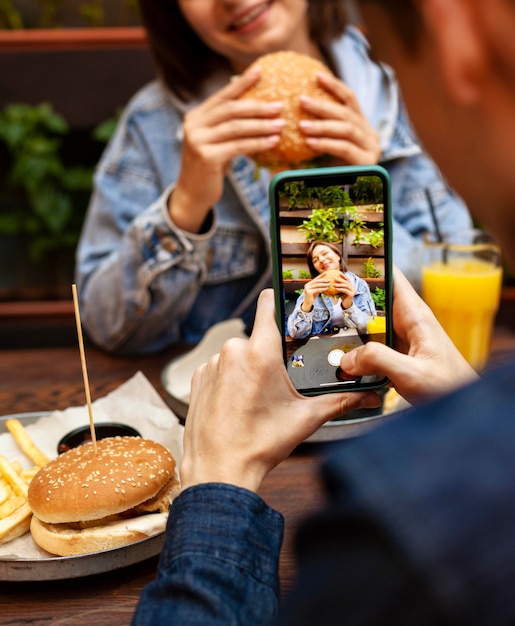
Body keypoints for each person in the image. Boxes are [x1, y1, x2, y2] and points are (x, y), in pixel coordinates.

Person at [132, 0, 515, 623]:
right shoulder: (153, 122)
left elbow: (445, 269)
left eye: (390, 59)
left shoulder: (394, 538)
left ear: (454, 32)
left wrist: (216, 485)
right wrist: (187, 202)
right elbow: (109, 314)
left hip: (355, 431)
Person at [74, 0, 471, 355]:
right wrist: (185, 206)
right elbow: (109, 328)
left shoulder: (402, 95)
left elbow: (459, 300)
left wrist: (357, 198)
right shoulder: (153, 124)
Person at [287, 241, 376, 337]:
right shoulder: (311, 290)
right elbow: (295, 334)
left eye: (325, 253)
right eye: (315, 260)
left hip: (355, 346)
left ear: (338, 255)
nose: (321, 259)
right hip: (322, 347)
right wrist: (306, 306)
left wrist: (348, 306)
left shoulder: (359, 285)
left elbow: (370, 329)